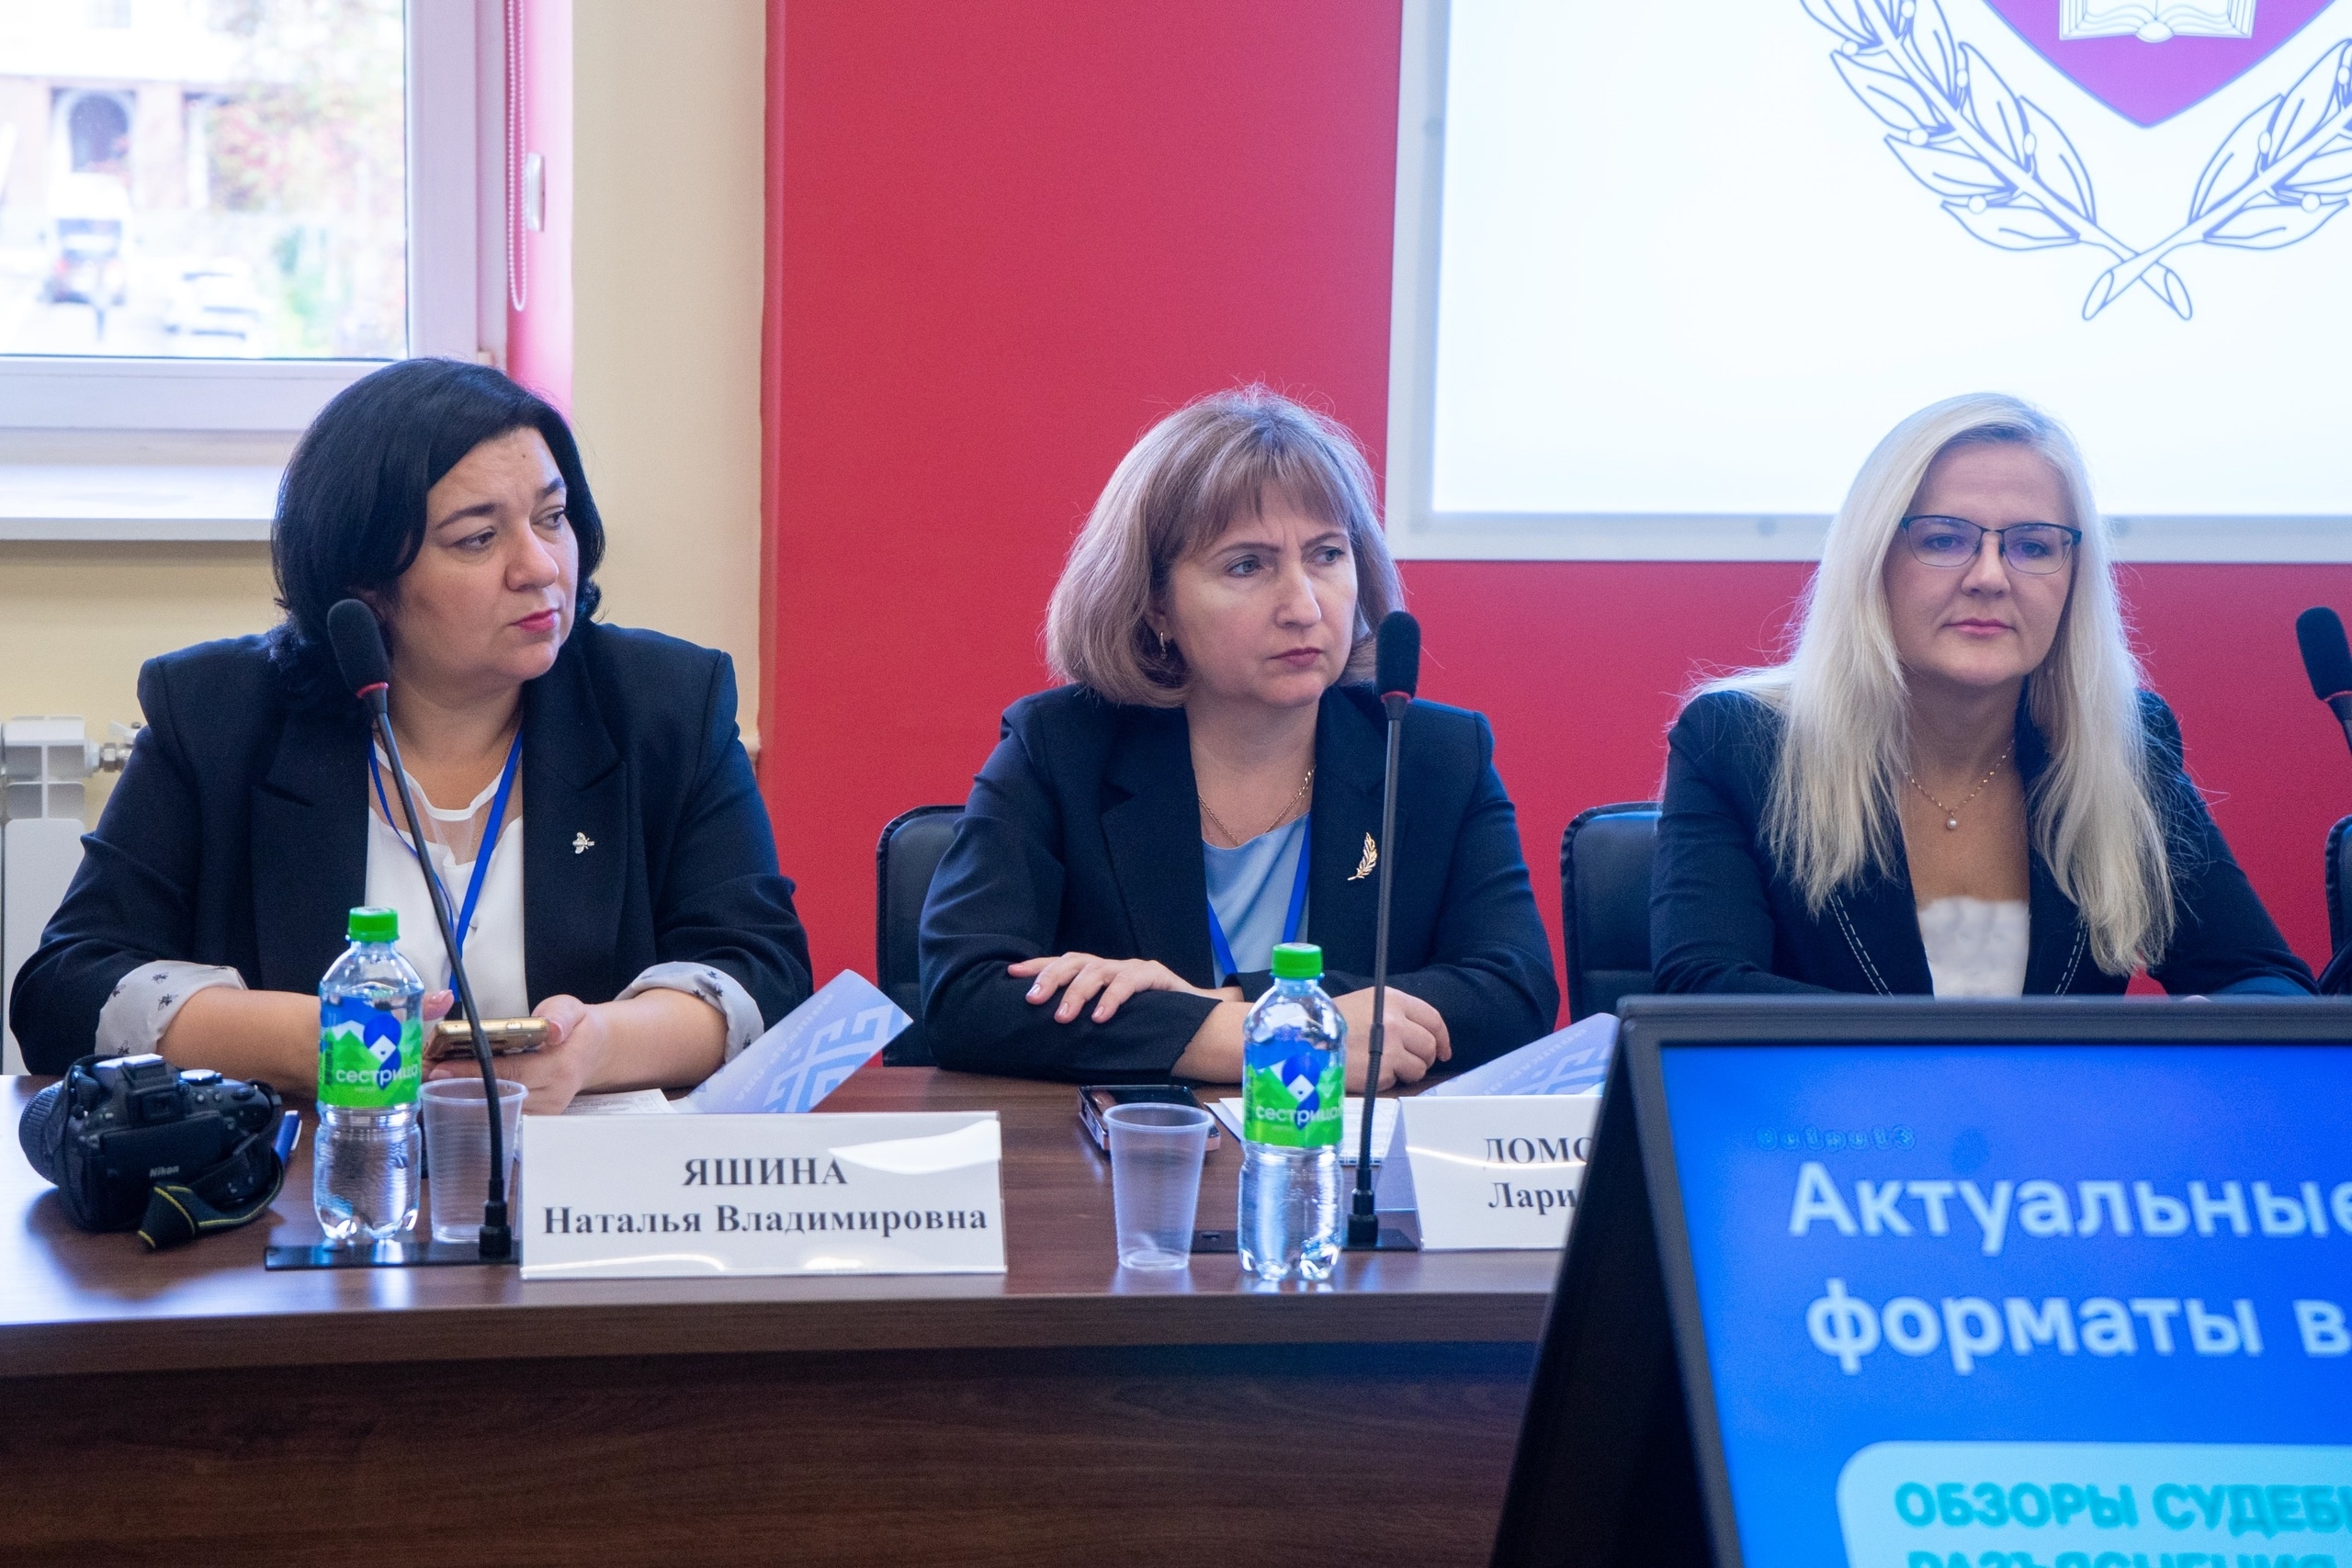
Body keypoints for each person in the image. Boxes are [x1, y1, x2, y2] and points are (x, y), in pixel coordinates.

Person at [12, 359, 813, 1110]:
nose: (539, 566)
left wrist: (597, 1048)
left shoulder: (664, 705)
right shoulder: (220, 715)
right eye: (478, 538)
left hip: (582, 1185)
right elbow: (66, 990)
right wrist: (318, 1039)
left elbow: (767, 977)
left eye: (552, 517)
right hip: (308, 1183)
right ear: (365, 581)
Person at [918, 387, 1559, 1085]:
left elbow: (1514, 992)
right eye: (1247, 565)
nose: (1304, 606)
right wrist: (1256, 1037)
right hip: (1141, 1150)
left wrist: (1233, 1005)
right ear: (1155, 603)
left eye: (1327, 554)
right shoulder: (1060, 749)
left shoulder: (1434, 755)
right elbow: (964, 996)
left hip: (1350, 1151)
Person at [1652, 392, 2312, 998]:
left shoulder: (2124, 747)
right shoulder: (1739, 742)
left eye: (2033, 546)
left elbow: (2267, 986)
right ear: (1872, 561)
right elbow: (1705, 993)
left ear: (2073, 578)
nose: (1990, 577)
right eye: (1945, 539)